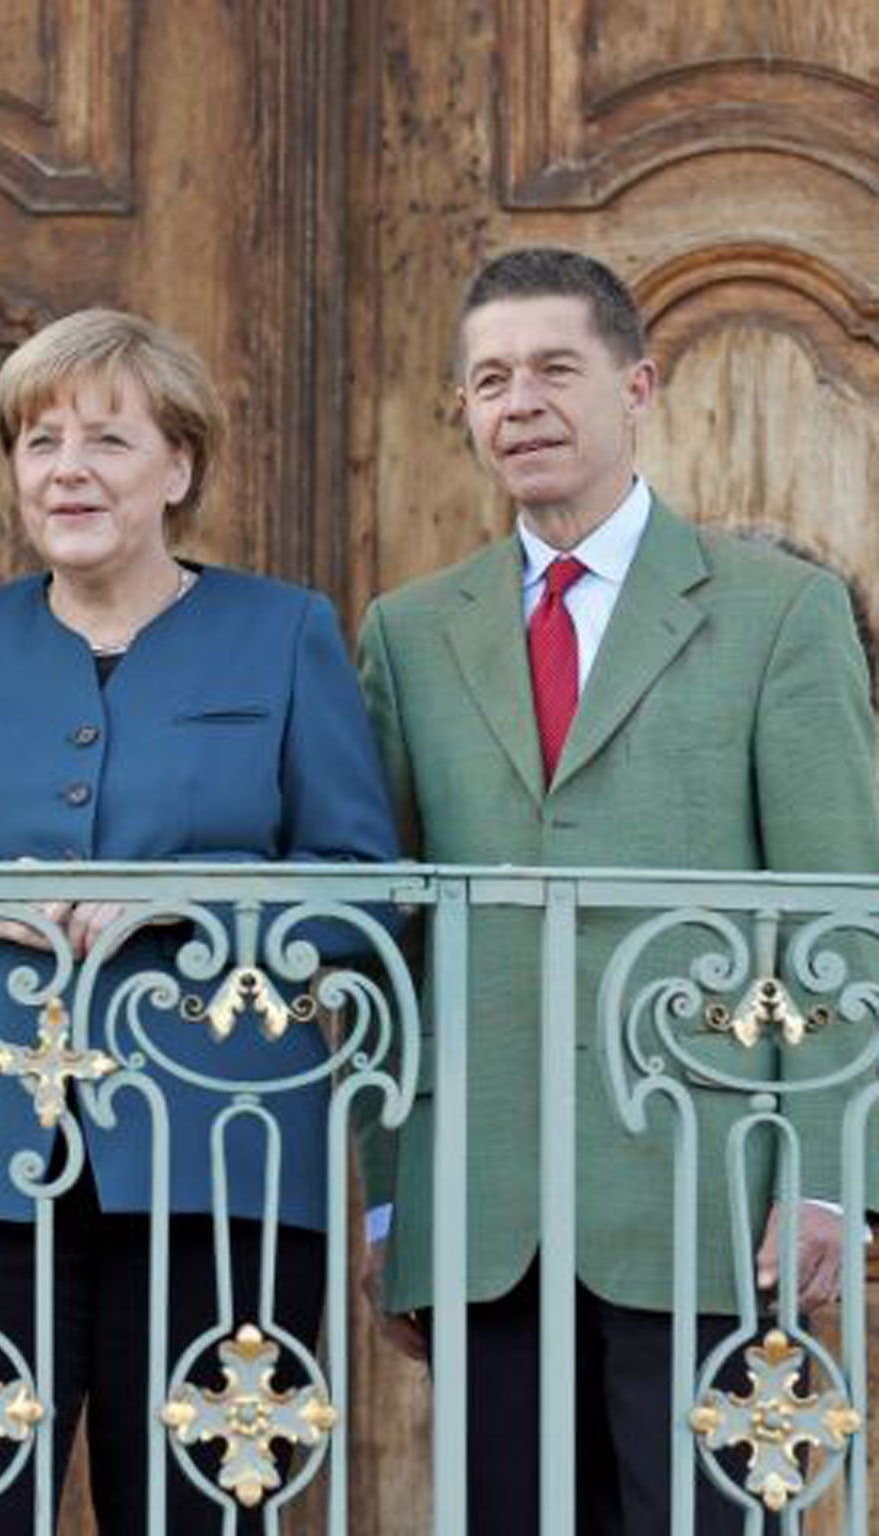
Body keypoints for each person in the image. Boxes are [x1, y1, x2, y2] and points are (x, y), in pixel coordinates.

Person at [0, 309, 398, 1531]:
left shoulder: (282, 631)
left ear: (177, 466)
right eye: (38, 442)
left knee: (204, 1508)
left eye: (105, 439)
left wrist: (191, 902)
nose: (67, 470)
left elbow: (360, 888)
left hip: (222, 1146)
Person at [356, 246, 879, 1535]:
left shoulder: (777, 614)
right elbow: (386, 942)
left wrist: (822, 1175)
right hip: (479, 1201)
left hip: (704, 1185)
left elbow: (837, 913)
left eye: (551, 369)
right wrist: (387, 1191)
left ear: (635, 384)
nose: (517, 403)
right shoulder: (406, 632)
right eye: (486, 380)